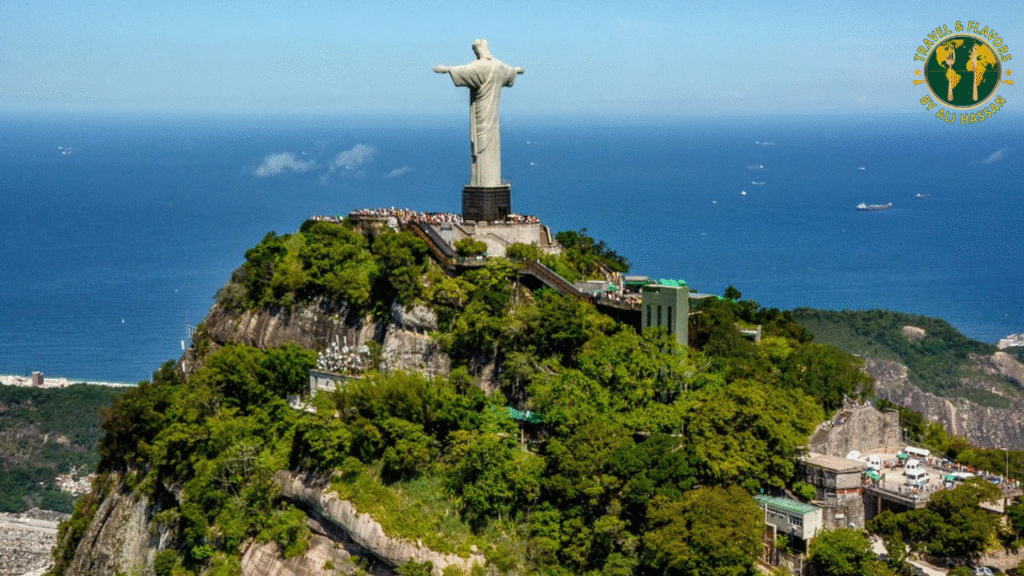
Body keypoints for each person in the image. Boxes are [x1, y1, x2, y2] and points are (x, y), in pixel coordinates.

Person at [435, 39, 524, 188]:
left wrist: (447, 69)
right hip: (493, 118)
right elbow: (511, 72)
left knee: (481, 150)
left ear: (477, 50)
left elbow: (464, 71)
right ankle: (490, 182)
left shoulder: (480, 66)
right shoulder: (500, 66)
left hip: (480, 113)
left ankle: (484, 184)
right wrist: (516, 70)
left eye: (475, 51)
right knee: (491, 147)